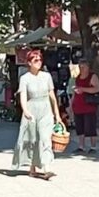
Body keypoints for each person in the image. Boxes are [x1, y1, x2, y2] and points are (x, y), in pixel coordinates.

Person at [12, 50, 64, 180]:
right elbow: (23, 96)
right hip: (32, 109)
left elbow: (52, 96)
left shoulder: (46, 76)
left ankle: (46, 168)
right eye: (36, 60)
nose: (39, 62)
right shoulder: (25, 78)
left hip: (46, 109)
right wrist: (25, 111)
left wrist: (57, 114)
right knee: (32, 139)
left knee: (45, 138)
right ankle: (32, 166)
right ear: (29, 63)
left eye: (40, 59)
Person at [70, 59, 99, 154]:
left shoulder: (92, 76)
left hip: (89, 106)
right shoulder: (78, 77)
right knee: (80, 128)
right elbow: (75, 93)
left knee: (91, 127)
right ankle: (81, 146)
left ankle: (93, 147)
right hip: (78, 105)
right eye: (80, 67)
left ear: (88, 67)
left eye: (83, 67)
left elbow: (97, 89)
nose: (81, 69)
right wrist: (71, 103)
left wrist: (83, 89)